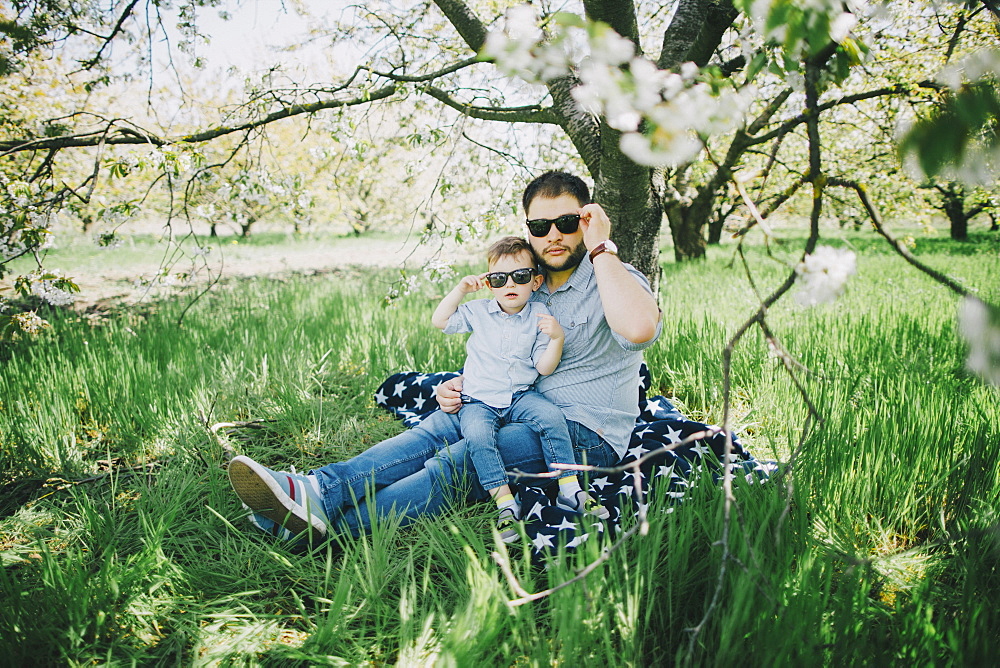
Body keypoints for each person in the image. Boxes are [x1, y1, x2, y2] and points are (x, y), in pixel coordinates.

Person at [227, 170, 661, 542]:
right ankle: (318, 491)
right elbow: (501, 350)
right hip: (511, 405)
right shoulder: (523, 283)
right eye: (540, 226)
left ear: (586, 221)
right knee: (432, 431)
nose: (553, 235)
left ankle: (325, 528)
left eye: (567, 223)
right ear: (527, 229)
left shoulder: (612, 276)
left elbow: (640, 330)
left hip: (582, 434)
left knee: (457, 460)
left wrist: (603, 247)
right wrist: (465, 383)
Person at [431, 235, 607, 543]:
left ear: (536, 281)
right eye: (499, 279)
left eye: (520, 276)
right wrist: (460, 289)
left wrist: (557, 339)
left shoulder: (540, 316)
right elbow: (440, 321)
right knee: (477, 436)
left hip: (520, 395)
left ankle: (570, 488)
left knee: (552, 417)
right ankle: (504, 502)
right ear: (489, 284)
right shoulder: (479, 311)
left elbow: (544, 368)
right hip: (478, 399)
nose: (510, 285)